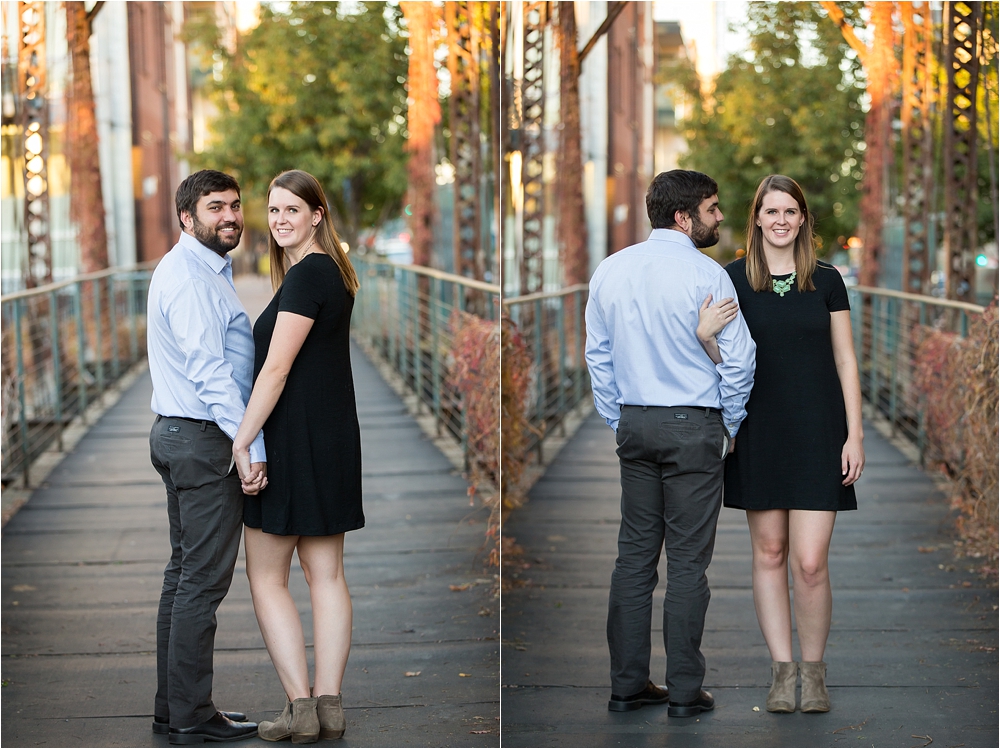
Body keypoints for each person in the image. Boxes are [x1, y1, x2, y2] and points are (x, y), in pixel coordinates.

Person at [585, 169, 757, 718]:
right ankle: (684, 691)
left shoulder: (610, 271)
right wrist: (727, 422)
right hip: (693, 426)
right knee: (687, 563)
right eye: (712, 208)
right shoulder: (708, 276)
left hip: (635, 423)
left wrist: (619, 418)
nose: (719, 217)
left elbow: (598, 356)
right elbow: (741, 360)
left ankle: (627, 684)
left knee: (633, 558)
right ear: (684, 217)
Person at [697, 174, 864, 714]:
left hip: (819, 431)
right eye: (771, 212)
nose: (781, 221)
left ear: (802, 219)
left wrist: (854, 434)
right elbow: (722, 364)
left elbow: (845, 361)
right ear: (757, 219)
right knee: (769, 553)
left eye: (790, 211)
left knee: (810, 562)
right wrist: (704, 338)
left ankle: (813, 674)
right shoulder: (732, 282)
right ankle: (781, 670)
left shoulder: (829, 280)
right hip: (759, 430)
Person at [231, 169, 364, 744]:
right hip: (332, 439)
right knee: (327, 575)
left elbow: (277, 368)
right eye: (274, 210)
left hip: (292, 442)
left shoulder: (309, 274)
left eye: (292, 210)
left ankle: (302, 707)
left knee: (267, 576)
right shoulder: (330, 272)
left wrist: (242, 440)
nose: (281, 219)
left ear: (318, 214)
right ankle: (330, 708)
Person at [147, 169, 265, 744]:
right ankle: (192, 715)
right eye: (216, 207)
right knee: (201, 583)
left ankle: (175, 709)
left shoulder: (203, 269)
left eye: (236, 206)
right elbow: (211, 373)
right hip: (202, 440)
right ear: (187, 219)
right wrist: (247, 448)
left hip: (180, 433)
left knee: (183, 577)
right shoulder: (191, 278)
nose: (231, 217)